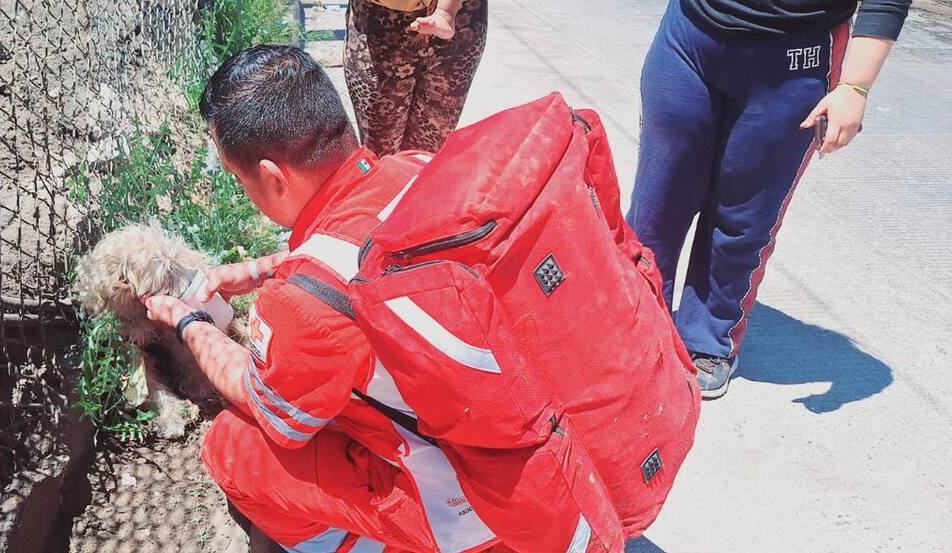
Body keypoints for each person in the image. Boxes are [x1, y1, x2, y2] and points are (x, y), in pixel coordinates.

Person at [144, 45, 698, 553]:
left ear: (271, 176)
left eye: (239, 180)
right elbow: (358, 246)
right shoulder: (416, 168)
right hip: (566, 437)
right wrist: (258, 270)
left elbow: (278, 415)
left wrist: (192, 321)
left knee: (231, 449)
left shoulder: (302, 303)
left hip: (477, 508)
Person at [626, 0, 910, 399]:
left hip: (795, 61)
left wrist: (855, 86)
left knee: (744, 215)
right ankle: (633, 326)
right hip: (689, 37)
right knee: (657, 203)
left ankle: (707, 337)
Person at [344, 0, 487, 155]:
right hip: (379, 22)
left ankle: (445, 14)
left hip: (460, 22)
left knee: (426, 154)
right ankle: (445, 14)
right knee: (380, 155)